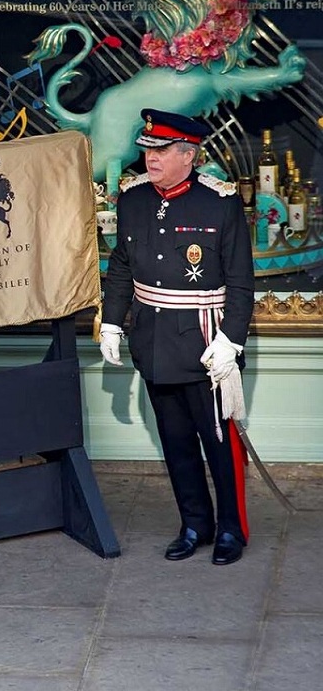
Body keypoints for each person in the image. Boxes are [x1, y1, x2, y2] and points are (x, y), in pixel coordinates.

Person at [100, 108, 255, 566]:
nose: (151, 158)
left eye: (162, 151)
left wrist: (231, 340)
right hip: (152, 341)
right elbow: (123, 266)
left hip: (206, 345)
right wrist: (112, 321)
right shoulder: (132, 200)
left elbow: (241, 282)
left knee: (219, 445)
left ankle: (231, 528)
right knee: (175, 442)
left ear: (189, 155)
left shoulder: (220, 202)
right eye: (148, 149)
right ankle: (194, 523)